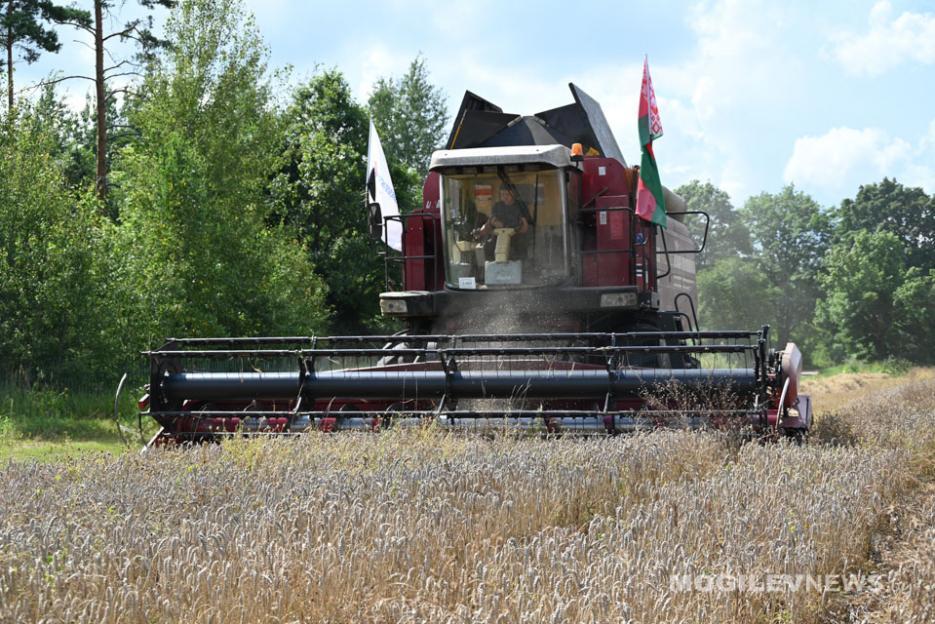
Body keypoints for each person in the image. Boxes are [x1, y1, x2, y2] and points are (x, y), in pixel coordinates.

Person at [473, 185, 531, 260]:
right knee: (486, 247)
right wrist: (480, 232)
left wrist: (505, 226)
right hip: (498, 238)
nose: (505, 197)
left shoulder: (521, 206)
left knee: (516, 250)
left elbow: (525, 227)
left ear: (513, 194)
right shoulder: (497, 206)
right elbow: (490, 223)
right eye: (502, 194)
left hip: (516, 238)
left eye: (507, 194)